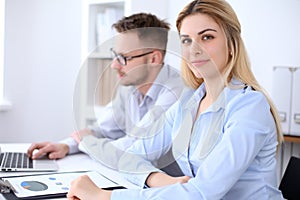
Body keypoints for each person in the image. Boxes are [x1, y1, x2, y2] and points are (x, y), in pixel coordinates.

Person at [66, 0, 284, 199]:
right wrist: (155, 178)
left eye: (207, 37)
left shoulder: (249, 108)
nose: (194, 50)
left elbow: (202, 192)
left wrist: (104, 197)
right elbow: (128, 156)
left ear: (231, 44)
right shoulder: (188, 104)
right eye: (186, 41)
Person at [26, 13, 184, 172]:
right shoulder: (129, 87)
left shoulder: (175, 93)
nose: (114, 65)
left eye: (123, 57)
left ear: (153, 59)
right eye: (115, 55)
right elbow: (102, 130)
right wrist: (66, 145)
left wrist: (86, 142)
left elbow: (132, 147)